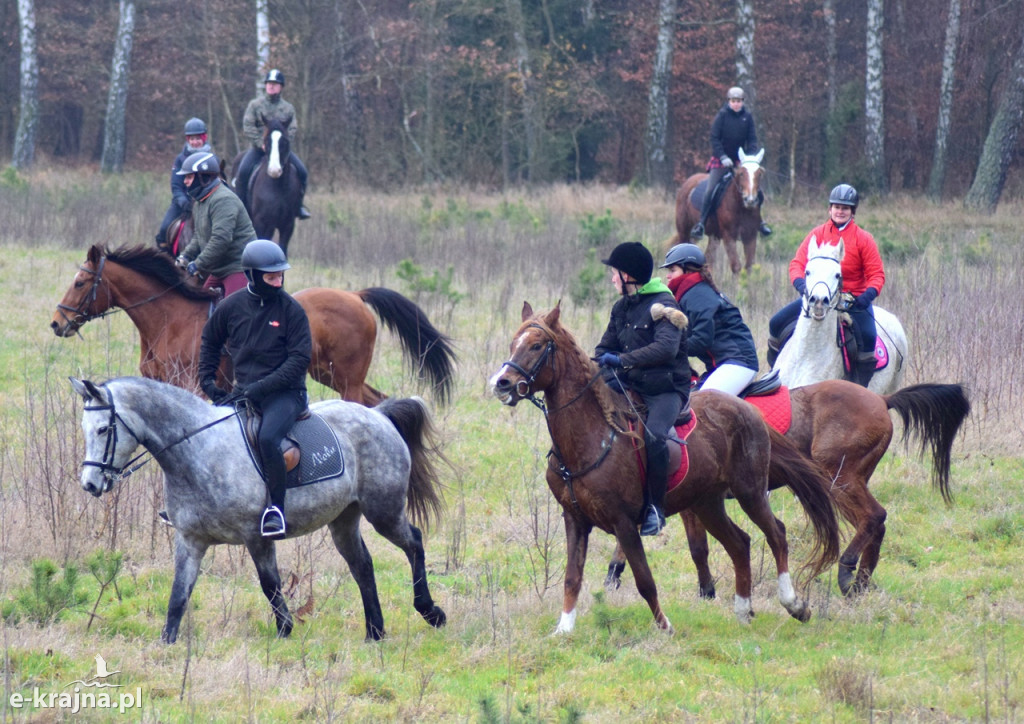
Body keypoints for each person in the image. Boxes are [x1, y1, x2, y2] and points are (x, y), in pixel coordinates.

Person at [197, 239, 312, 538]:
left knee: (267, 437)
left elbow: (300, 360)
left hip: (286, 395)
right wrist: (208, 383)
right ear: (251, 276)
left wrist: (262, 387)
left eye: (280, 276)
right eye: (270, 277)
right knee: (205, 435)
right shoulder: (230, 307)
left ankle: (276, 510)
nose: (278, 281)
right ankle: (198, 504)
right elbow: (209, 341)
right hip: (246, 393)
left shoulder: (292, 311)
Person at [595, 242, 691, 536]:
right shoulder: (621, 307)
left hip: (666, 389)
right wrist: (601, 364)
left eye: (614, 273)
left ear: (628, 276)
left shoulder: (664, 304)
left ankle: (655, 509)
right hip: (631, 385)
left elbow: (665, 348)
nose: (612, 278)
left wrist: (621, 361)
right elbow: (604, 347)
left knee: (653, 437)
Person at [767, 183, 886, 387]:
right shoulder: (817, 234)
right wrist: (802, 286)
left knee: (868, 338)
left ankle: (859, 389)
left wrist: (864, 298)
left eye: (845, 208)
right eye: (836, 207)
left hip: (853, 299)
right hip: (816, 295)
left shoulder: (863, 239)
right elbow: (797, 263)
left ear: (852, 212)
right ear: (829, 209)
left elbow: (877, 275)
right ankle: (774, 374)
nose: (840, 211)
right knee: (776, 323)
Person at [660, 243, 759, 395]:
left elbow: (701, 340)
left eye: (672, 270)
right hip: (722, 365)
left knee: (703, 406)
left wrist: (670, 348)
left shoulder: (697, 294)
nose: (668, 275)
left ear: (688, 269)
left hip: (737, 364)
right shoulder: (693, 292)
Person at [691, 86, 772, 240]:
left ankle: (759, 222)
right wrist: (722, 157)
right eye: (733, 101)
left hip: (741, 161)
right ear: (729, 101)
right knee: (711, 190)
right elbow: (714, 138)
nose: (736, 104)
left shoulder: (747, 117)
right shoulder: (721, 117)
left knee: (756, 191)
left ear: (742, 102)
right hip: (721, 161)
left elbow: (752, 139)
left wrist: (750, 157)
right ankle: (701, 223)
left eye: (739, 101)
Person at [175, 151, 256, 297]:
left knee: (233, 312)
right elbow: (199, 235)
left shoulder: (223, 200)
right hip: (219, 269)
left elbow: (221, 239)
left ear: (203, 177)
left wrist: (198, 264)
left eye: (189, 177)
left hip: (238, 267)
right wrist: (185, 256)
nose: (185, 181)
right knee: (201, 308)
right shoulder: (200, 201)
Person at [236, 69, 311, 220]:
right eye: (269, 83)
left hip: (281, 150)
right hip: (260, 150)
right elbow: (248, 126)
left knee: (302, 171)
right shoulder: (255, 105)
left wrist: (281, 144)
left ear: (281, 87)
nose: (271, 86)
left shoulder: (288, 108)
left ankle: (298, 206)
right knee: (242, 171)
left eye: (275, 84)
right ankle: (241, 207)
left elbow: (292, 128)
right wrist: (260, 143)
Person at [155, 117, 211, 249]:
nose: (195, 142)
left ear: (203, 138)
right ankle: (166, 260)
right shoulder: (180, 159)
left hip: (207, 203)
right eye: (192, 139)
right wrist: (182, 201)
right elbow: (176, 185)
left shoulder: (212, 158)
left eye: (198, 139)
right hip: (184, 203)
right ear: (188, 140)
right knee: (163, 230)